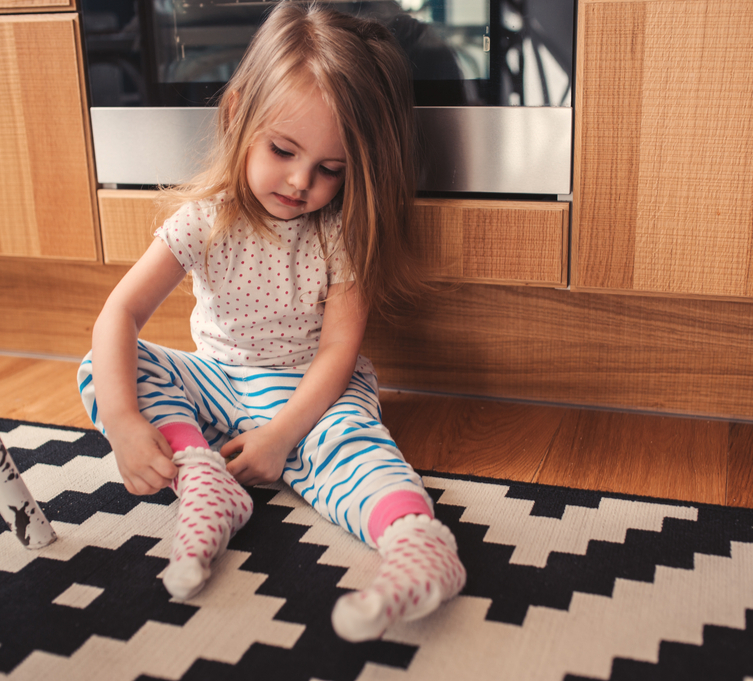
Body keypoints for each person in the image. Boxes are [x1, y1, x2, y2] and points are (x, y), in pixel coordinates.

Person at [77, 1, 466, 642]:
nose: (300, 181)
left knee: (354, 450)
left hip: (310, 392)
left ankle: (417, 546)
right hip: (216, 381)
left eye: (331, 170)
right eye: (283, 150)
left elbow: (339, 352)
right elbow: (120, 313)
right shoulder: (203, 219)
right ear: (238, 117)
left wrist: (283, 436)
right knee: (107, 366)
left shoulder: (337, 232)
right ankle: (202, 476)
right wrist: (122, 421)